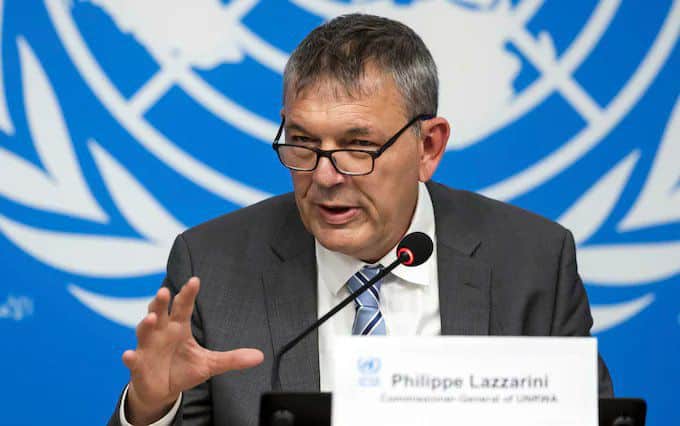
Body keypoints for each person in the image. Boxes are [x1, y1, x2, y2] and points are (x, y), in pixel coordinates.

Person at [108, 13, 613, 426]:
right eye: (303, 142)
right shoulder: (213, 268)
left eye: (358, 146)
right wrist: (151, 407)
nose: (325, 176)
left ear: (428, 146)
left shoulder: (532, 263)